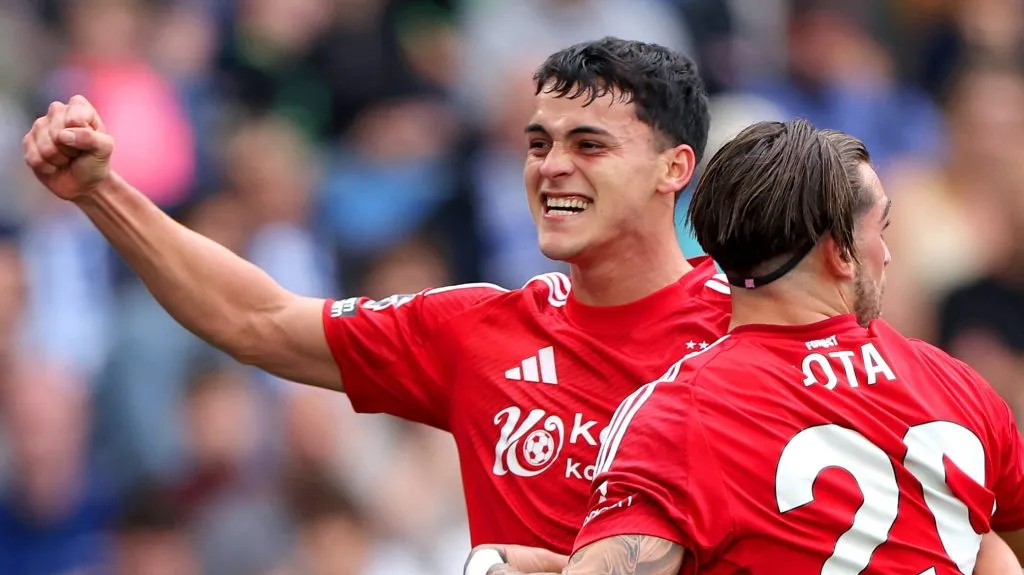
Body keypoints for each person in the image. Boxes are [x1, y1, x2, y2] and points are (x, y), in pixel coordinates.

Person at [21, 37, 725, 563]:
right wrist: (101, 192)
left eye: (589, 144)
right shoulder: (479, 327)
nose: (551, 167)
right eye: (538, 143)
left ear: (675, 168)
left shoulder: (754, 330)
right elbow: (257, 319)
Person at [544, 120, 1024, 574]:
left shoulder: (681, 413)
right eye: (882, 228)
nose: (889, 253)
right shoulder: (954, 382)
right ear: (840, 251)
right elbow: (990, 534)